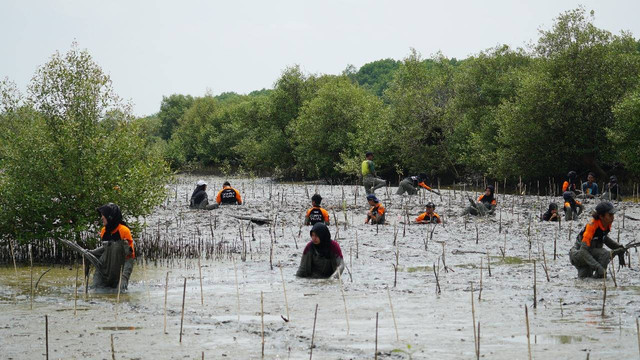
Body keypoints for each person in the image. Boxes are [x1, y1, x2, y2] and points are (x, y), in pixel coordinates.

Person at [569, 202, 626, 278]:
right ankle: (601, 277)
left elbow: (604, 238)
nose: (613, 217)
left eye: (613, 215)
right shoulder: (591, 226)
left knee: (585, 280)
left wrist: (619, 248)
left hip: (589, 255)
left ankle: (598, 284)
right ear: (601, 216)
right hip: (578, 255)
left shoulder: (606, 223)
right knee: (604, 253)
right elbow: (583, 251)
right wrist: (598, 267)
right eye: (610, 215)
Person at [86, 203, 135, 290]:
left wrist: (124, 278)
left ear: (110, 216)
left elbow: (130, 257)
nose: (102, 218)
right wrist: (91, 252)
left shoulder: (124, 231)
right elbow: (106, 248)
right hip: (103, 271)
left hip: (118, 272)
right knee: (95, 291)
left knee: (119, 295)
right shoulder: (104, 231)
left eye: (103, 215)